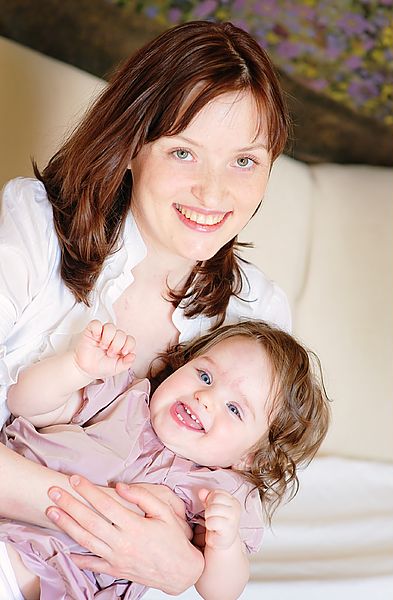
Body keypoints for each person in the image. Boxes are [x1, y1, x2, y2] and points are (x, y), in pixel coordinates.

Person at [0, 20, 293, 593]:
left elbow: (228, 512)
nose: (214, 195)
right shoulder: (31, 228)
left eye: (244, 161)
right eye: (184, 152)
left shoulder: (258, 314)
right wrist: (129, 531)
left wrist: (186, 565)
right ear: (131, 146)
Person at [0, 319, 330, 599]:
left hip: (50, 582)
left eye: (234, 409)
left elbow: (220, 591)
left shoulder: (222, 491)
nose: (205, 398)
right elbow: (24, 403)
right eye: (205, 376)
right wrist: (76, 368)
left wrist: (225, 545)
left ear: (250, 456)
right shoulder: (123, 397)